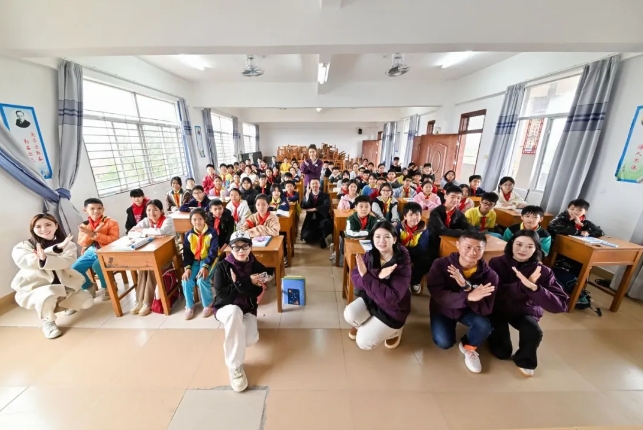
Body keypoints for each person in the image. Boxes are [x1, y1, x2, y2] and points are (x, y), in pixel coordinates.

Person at [488, 230, 568, 376]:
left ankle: (524, 359)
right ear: (511, 244)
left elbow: (560, 305)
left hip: (524, 310)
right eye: (519, 244)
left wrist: (536, 288)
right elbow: (494, 292)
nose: (523, 250)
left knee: (533, 331)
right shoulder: (496, 263)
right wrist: (521, 286)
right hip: (498, 309)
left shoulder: (543, 271)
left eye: (530, 246)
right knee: (502, 352)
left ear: (536, 249)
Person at [12, 214, 94, 338]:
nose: (44, 229)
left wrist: (48, 254)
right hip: (37, 288)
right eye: (38, 226)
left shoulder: (68, 244)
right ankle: (48, 322)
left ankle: (65, 305)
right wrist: (55, 249)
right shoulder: (23, 246)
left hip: (64, 285)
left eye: (48, 224)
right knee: (48, 294)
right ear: (32, 229)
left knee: (87, 302)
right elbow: (28, 261)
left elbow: (65, 262)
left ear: (56, 226)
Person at [426, 230, 498, 373]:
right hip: (444, 308)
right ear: (458, 245)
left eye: (478, 248)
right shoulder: (441, 264)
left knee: (484, 326)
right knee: (444, 342)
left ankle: (468, 346)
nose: (473, 252)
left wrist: (467, 288)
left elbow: (486, 308)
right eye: (468, 247)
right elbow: (437, 293)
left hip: (469, 310)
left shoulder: (490, 275)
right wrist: (468, 296)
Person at [213, 231, 270, 392]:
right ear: (230, 248)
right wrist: (246, 282)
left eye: (245, 246)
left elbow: (256, 293)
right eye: (236, 247)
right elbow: (222, 295)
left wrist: (243, 283)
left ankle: (232, 340)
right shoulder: (222, 267)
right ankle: (235, 368)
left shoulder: (256, 266)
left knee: (250, 339)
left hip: (247, 309)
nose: (241, 251)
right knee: (234, 311)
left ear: (250, 247)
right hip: (226, 308)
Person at [345, 221, 412, 350]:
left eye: (387, 236)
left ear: (394, 239)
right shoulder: (371, 254)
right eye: (377, 236)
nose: (381, 241)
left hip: (393, 310)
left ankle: (395, 331)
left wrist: (367, 276)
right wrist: (377, 275)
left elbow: (391, 298)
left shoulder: (402, 262)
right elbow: (355, 278)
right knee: (350, 314)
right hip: (373, 299)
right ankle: (369, 324)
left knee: (363, 342)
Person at [127, 200, 176, 317]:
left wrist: (143, 231)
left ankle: (147, 303)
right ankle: (139, 301)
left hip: (167, 254)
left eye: (155, 210)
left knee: (152, 268)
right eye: (148, 210)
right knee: (143, 268)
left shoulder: (167, 220)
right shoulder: (146, 221)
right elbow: (130, 232)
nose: (151, 213)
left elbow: (161, 231)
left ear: (161, 211)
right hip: (151, 254)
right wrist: (150, 234)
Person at [72, 198, 120, 301]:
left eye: (99, 208)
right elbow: (82, 243)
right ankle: (89, 286)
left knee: (97, 265)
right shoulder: (84, 225)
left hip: (109, 250)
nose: (96, 211)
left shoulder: (111, 222)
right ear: (85, 210)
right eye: (92, 208)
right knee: (74, 268)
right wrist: (90, 233)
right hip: (92, 250)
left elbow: (113, 240)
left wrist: (95, 234)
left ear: (103, 209)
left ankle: (109, 286)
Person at [181, 208, 218, 320]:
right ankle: (189, 306)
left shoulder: (212, 232)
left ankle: (208, 304)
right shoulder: (189, 234)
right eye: (194, 219)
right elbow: (187, 253)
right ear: (191, 221)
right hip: (194, 261)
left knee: (202, 279)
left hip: (209, 260)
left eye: (200, 219)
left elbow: (213, 252)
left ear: (205, 219)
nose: (197, 222)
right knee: (186, 280)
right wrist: (187, 268)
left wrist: (205, 266)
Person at [427, 185, 472, 259]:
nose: (455, 200)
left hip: (451, 242)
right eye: (452, 197)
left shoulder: (459, 214)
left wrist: (472, 231)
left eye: (458, 198)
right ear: (445, 196)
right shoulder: (435, 212)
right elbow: (441, 230)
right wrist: (463, 232)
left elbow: (466, 225)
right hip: (434, 244)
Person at [396, 202, 431, 295]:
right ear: (405, 216)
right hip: (400, 253)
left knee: (426, 261)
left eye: (417, 215)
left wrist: (408, 255)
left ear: (420, 216)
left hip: (416, 254)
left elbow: (422, 248)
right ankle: (400, 281)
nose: (414, 217)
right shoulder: (398, 227)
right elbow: (395, 244)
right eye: (411, 215)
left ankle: (415, 281)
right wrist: (404, 253)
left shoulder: (424, 230)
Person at [300, 178, 332, 248]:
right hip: (311, 219)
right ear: (310, 186)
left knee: (327, 224)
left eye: (316, 183)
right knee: (306, 237)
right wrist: (307, 195)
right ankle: (319, 235)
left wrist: (314, 209)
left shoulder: (325, 195)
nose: (315, 185)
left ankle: (323, 237)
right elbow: (304, 206)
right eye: (313, 184)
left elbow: (326, 204)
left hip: (322, 217)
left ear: (319, 185)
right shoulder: (308, 195)